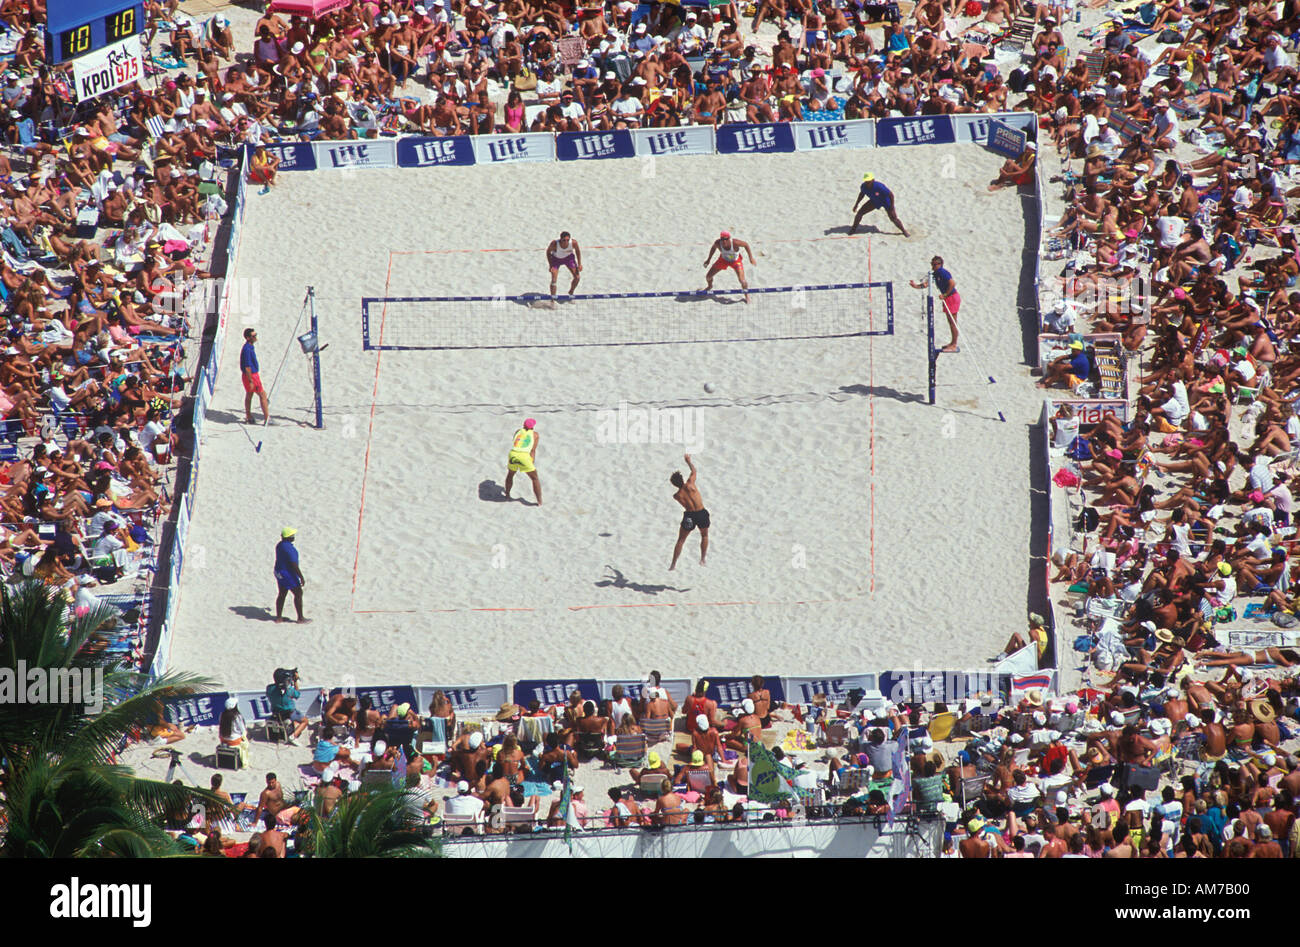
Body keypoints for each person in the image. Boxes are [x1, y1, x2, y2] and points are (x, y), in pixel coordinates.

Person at [910, 255, 961, 353]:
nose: (932, 266)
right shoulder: (936, 274)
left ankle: (954, 344)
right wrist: (915, 286)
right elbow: (926, 284)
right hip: (948, 298)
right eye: (931, 264)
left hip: (952, 297)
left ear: (940, 264)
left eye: (934, 264)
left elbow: (952, 283)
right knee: (951, 322)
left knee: (953, 322)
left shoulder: (942, 272)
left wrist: (945, 294)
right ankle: (952, 343)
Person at [669, 453, 709, 570]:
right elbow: (694, 471)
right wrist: (688, 461)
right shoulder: (691, 483)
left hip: (690, 515)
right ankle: (702, 559)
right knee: (704, 535)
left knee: (681, 540)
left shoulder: (676, 496)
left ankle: (673, 564)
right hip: (701, 512)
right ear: (682, 479)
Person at [701, 230, 755, 302]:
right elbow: (713, 248)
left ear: (729, 238)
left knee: (742, 281)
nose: (724, 241)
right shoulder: (718, 243)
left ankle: (746, 295)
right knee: (708, 276)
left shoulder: (735, 242)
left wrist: (751, 258)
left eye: (726, 239)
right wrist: (708, 260)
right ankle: (709, 286)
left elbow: (746, 245)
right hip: (723, 260)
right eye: (722, 239)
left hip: (735, 261)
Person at [850, 172, 910, 237]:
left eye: (869, 181)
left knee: (893, 218)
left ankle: (904, 231)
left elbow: (891, 195)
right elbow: (862, 194)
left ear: (873, 180)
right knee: (859, 213)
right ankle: (853, 229)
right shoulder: (863, 186)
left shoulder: (879, 186)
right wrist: (856, 204)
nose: (867, 183)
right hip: (874, 201)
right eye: (866, 181)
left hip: (885, 201)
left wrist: (892, 206)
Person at [273, 527, 309, 623]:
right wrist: (301, 576)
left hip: (279, 572)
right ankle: (300, 618)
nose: (294, 537)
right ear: (288, 537)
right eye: (292, 535)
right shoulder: (289, 548)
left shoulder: (279, 545)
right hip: (287, 574)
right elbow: (294, 564)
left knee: (282, 593)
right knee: (298, 593)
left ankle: (279, 617)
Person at [504, 417, 541, 505]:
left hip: (513, 454)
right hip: (523, 456)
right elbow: (533, 450)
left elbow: (516, 442)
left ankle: (507, 495)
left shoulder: (517, 431)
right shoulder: (535, 434)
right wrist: (531, 461)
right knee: (534, 478)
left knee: (510, 475)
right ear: (533, 427)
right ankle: (539, 501)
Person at [240, 327, 270, 425]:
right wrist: (251, 381)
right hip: (251, 376)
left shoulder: (250, 346)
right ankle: (267, 418)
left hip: (250, 375)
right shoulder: (247, 349)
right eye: (254, 336)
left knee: (249, 394)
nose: (256, 337)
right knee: (262, 395)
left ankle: (249, 416)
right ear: (248, 338)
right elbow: (247, 367)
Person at [546, 231, 582, 299]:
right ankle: (553, 299)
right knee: (554, 279)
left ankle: (571, 292)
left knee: (577, 277)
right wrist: (550, 265)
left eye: (567, 240)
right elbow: (548, 252)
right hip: (556, 259)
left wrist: (579, 264)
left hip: (568, 258)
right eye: (564, 240)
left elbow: (578, 251)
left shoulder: (574, 243)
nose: (566, 242)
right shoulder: (554, 244)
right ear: (560, 239)